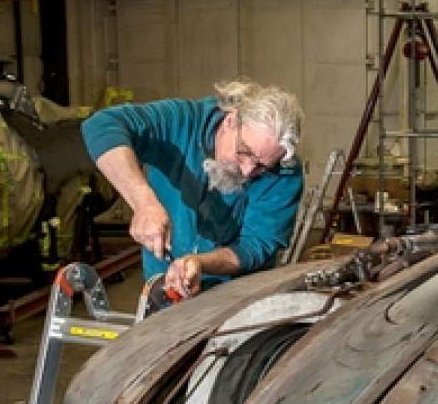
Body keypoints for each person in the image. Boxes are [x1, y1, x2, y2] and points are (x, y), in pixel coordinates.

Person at [81, 78, 304, 298]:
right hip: (164, 289)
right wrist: (143, 202)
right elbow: (101, 125)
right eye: (244, 152)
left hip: (237, 299)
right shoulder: (180, 121)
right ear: (231, 120)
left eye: (262, 167)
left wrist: (200, 263)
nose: (247, 171)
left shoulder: (284, 172)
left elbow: (255, 246)